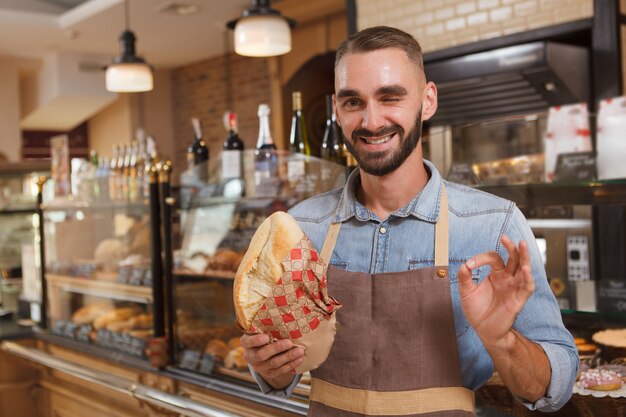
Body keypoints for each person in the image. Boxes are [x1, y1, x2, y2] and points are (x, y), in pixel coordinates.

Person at [240, 26, 577, 416]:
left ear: (427, 100)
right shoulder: (302, 227)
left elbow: (554, 388)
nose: (372, 120)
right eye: (354, 102)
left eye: (390, 97)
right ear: (336, 109)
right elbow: (285, 368)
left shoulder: (492, 225)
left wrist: (501, 340)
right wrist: (270, 366)